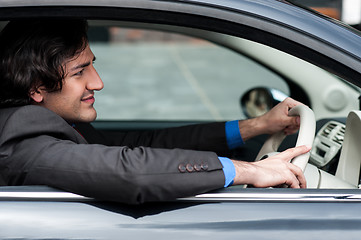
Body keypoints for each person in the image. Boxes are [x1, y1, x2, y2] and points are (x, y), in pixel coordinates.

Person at [0, 19, 310, 204]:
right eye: (80, 72)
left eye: (94, 65)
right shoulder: (22, 135)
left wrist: (257, 125)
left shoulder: (47, 120)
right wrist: (250, 171)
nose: (98, 82)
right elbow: (129, 171)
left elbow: (144, 141)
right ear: (37, 88)